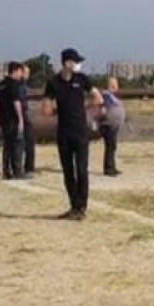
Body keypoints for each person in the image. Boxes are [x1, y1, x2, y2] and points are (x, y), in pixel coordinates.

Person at [43, 48, 102, 220]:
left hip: (80, 131)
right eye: (75, 61)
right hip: (64, 133)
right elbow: (46, 110)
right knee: (68, 171)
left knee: (82, 170)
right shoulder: (53, 83)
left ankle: (82, 206)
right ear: (67, 62)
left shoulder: (82, 79)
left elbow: (98, 98)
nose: (77, 65)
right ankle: (74, 205)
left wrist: (82, 108)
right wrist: (60, 109)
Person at [0, 63, 26, 180]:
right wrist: (21, 119)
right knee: (16, 145)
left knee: (7, 146)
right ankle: (17, 171)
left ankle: (6, 171)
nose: (21, 75)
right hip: (13, 119)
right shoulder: (14, 85)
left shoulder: (1, 85)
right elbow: (16, 103)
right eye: (20, 72)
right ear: (15, 71)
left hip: (3, 119)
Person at [98, 76, 126, 176]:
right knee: (110, 147)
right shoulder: (106, 95)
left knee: (112, 147)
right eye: (113, 84)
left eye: (116, 84)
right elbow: (105, 107)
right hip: (108, 125)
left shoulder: (112, 96)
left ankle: (112, 167)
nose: (115, 86)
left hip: (113, 126)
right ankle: (108, 169)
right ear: (109, 85)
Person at [19, 64, 35, 175]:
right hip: (23, 115)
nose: (28, 75)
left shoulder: (22, 85)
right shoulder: (20, 86)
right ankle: (28, 167)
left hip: (23, 115)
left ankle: (27, 166)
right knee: (27, 142)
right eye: (26, 73)